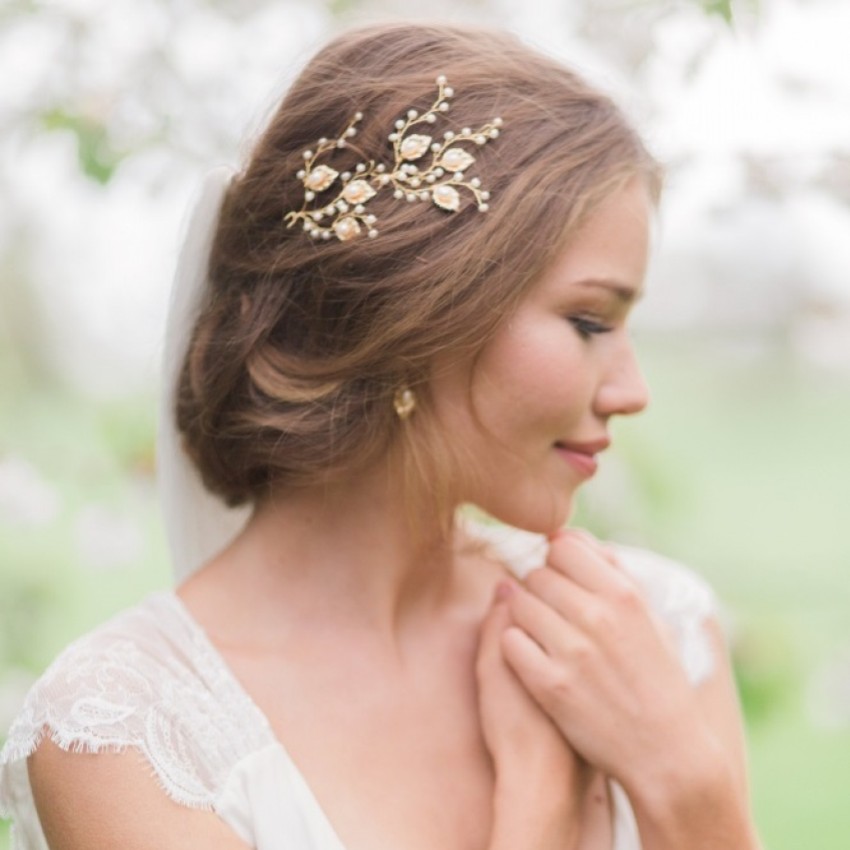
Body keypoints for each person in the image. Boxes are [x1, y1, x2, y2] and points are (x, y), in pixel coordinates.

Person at [0, 22, 762, 850]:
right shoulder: (130, 733)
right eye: (587, 321)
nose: (632, 391)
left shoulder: (648, 632)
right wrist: (539, 807)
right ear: (420, 308)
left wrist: (687, 783)